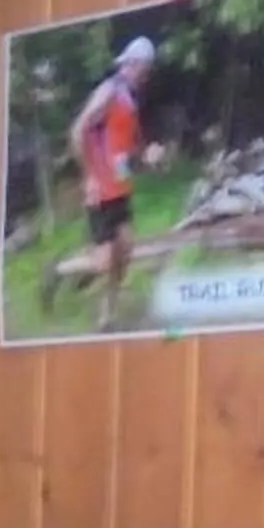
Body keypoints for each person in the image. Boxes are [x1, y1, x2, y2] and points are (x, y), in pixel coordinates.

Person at [71, 35, 156, 330]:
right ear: (131, 64)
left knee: (126, 249)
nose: (146, 77)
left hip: (120, 187)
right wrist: (90, 177)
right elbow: (78, 130)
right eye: (144, 70)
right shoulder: (109, 91)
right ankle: (77, 270)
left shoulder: (129, 99)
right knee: (106, 261)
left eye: (148, 71)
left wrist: (147, 157)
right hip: (100, 191)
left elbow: (129, 146)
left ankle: (108, 313)